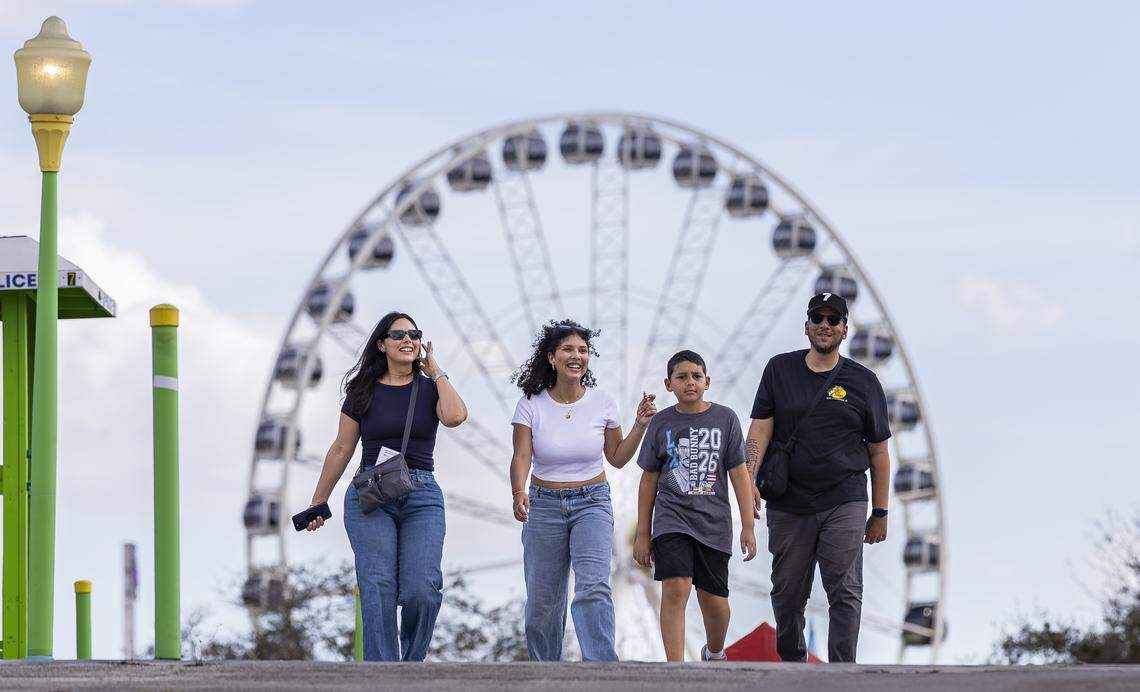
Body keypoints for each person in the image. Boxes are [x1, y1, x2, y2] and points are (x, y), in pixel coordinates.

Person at [305, 311, 468, 661]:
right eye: (398, 335)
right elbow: (342, 447)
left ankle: (411, 667)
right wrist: (319, 501)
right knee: (377, 585)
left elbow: (455, 416)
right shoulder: (362, 391)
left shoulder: (430, 389)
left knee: (422, 588)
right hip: (371, 493)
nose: (408, 340)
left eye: (414, 334)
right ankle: (382, 673)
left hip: (421, 493)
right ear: (381, 344)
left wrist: (436, 370)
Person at [746, 292, 891, 663]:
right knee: (787, 592)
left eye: (833, 320)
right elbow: (760, 430)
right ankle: (794, 663)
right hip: (788, 500)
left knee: (845, 589)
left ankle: (843, 673)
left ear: (845, 329)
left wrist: (880, 511)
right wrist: (747, 480)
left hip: (844, 497)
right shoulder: (779, 370)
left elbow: (878, 451)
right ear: (806, 325)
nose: (824, 325)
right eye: (818, 318)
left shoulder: (864, 382)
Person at [509, 319, 657, 661]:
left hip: (591, 502)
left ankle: (600, 668)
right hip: (543, 505)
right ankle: (545, 671)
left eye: (583, 350)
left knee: (593, 585)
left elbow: (618, 458)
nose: (577, 356)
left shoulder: (602, 403)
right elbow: (521, 455)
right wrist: (519, 491)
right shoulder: (531, 404)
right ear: (551, 357)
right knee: (543, 601)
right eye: (568, 350)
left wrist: (640, 425)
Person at [634, 350, 757, 662]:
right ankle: (675, 667)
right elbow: (649, 479)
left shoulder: (726, 418)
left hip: (714, 524)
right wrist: (642, 533)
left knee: (715, 602)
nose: (690, 382)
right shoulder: (661, 423)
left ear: (707, 381)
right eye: (682, 377)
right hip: (671, 519)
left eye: (696, 376)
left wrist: (748, 526)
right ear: (668, 384)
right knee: (676, 587)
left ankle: (714, 651)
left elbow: (739, 473)